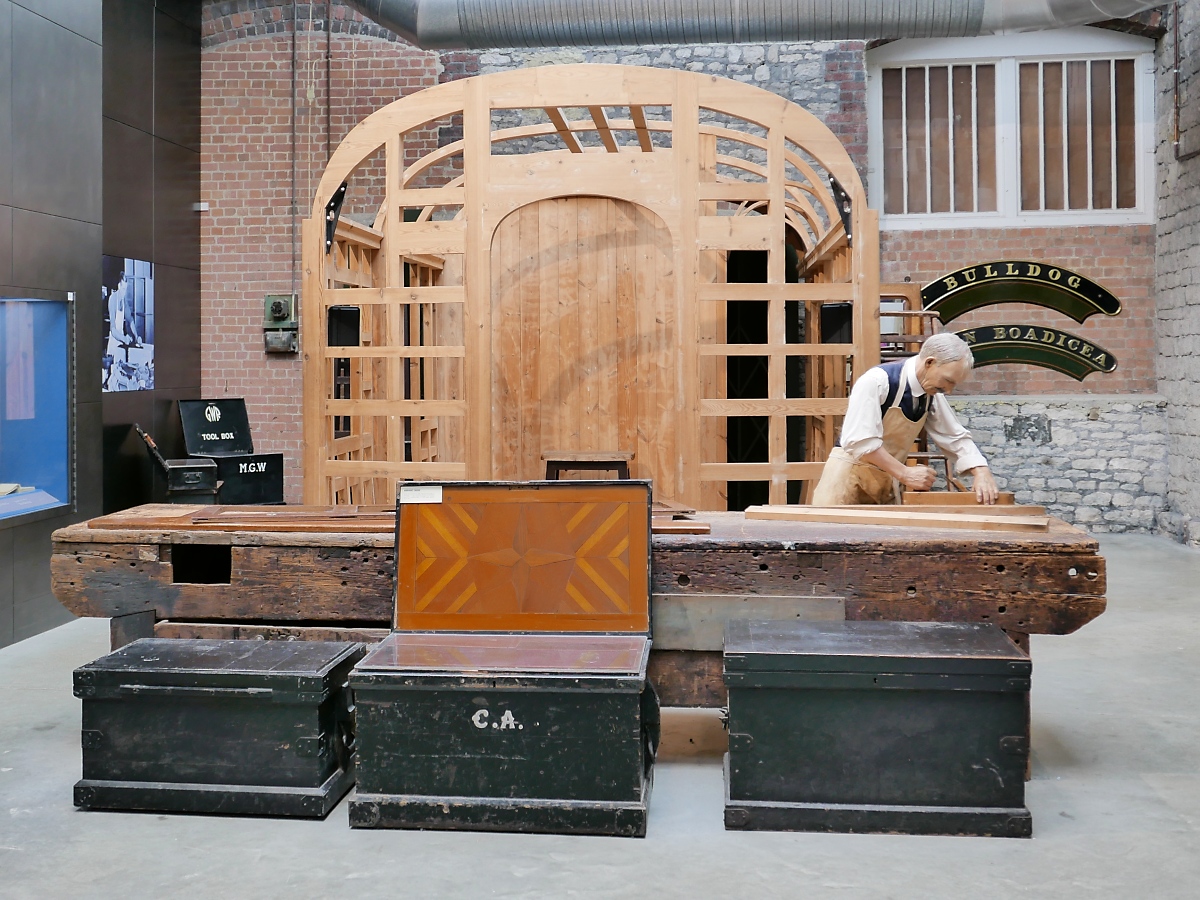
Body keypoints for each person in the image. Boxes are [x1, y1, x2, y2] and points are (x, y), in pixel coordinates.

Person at [811, 332, 999, 506]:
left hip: (885, 487)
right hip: (845, 485)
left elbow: (954, 436)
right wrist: (905, 473)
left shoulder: (932, 392)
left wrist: (981, 470)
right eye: (948, 381)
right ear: (929, 363)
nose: (948, 390)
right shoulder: (877, 381)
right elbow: (860, 441)